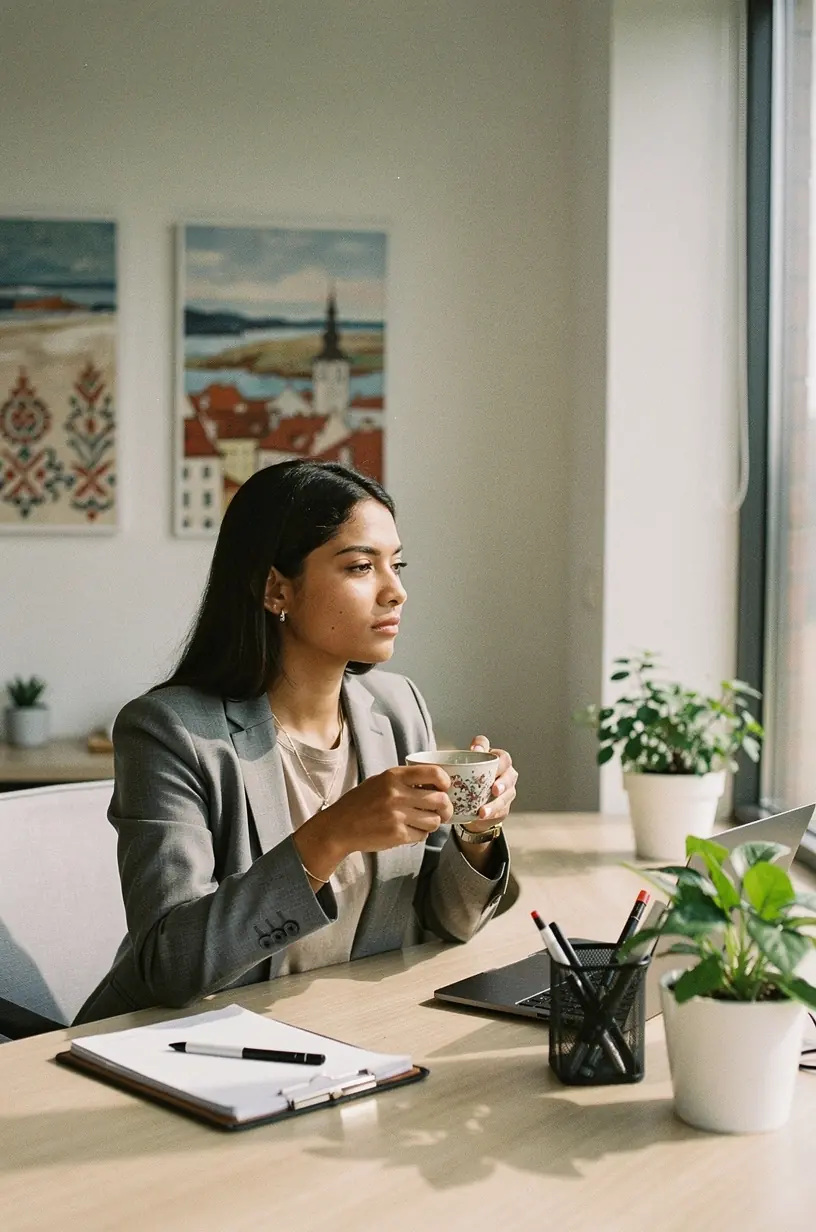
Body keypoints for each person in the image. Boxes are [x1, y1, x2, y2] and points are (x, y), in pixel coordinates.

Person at [76, 460, 517, 1023]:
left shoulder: (399, 707)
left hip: (350, 1034)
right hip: (188, 1044)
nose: (396, 591)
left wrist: (478, 830)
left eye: (397, 565)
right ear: (276, 587)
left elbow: (447, 921)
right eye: (361, 567)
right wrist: (329, 836)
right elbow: (170, 964)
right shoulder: (168, 732)